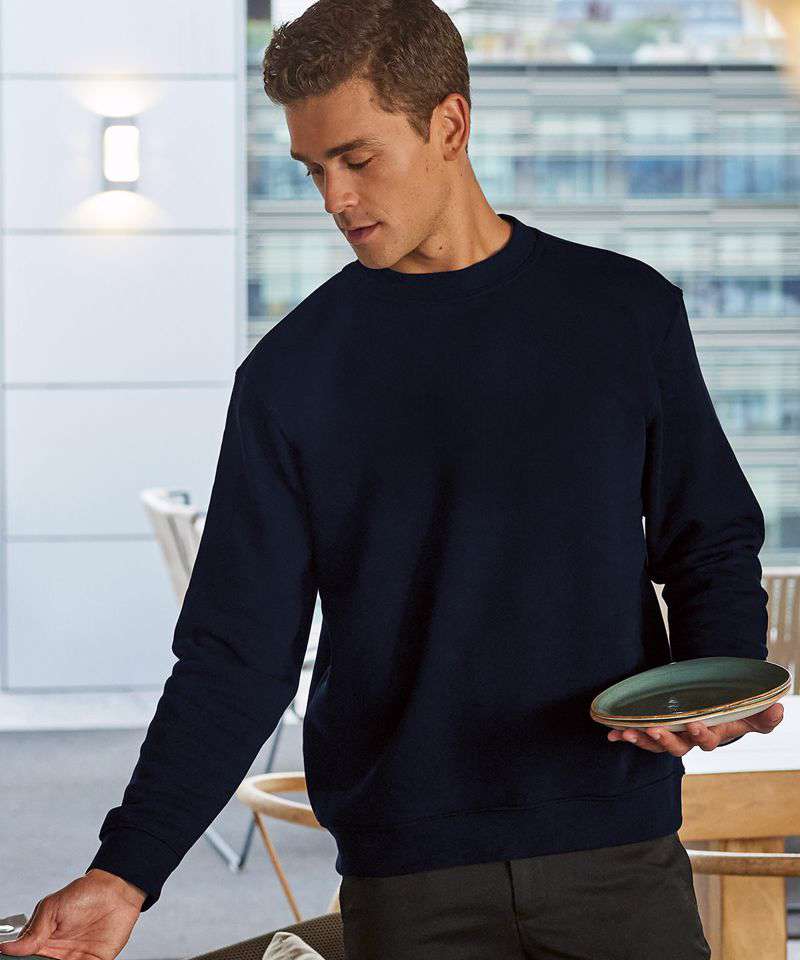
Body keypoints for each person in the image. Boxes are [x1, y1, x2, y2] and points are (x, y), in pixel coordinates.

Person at [2, 1, 786, 959]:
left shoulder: (624, 311)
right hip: (410, 878)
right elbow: (235, 656)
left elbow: (709, 536)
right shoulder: (291, 376)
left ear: (449, 124)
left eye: (357, 159)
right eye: (313, 169)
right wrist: (126, 870)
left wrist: (715, 677)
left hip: (616, 853)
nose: (335, 197)